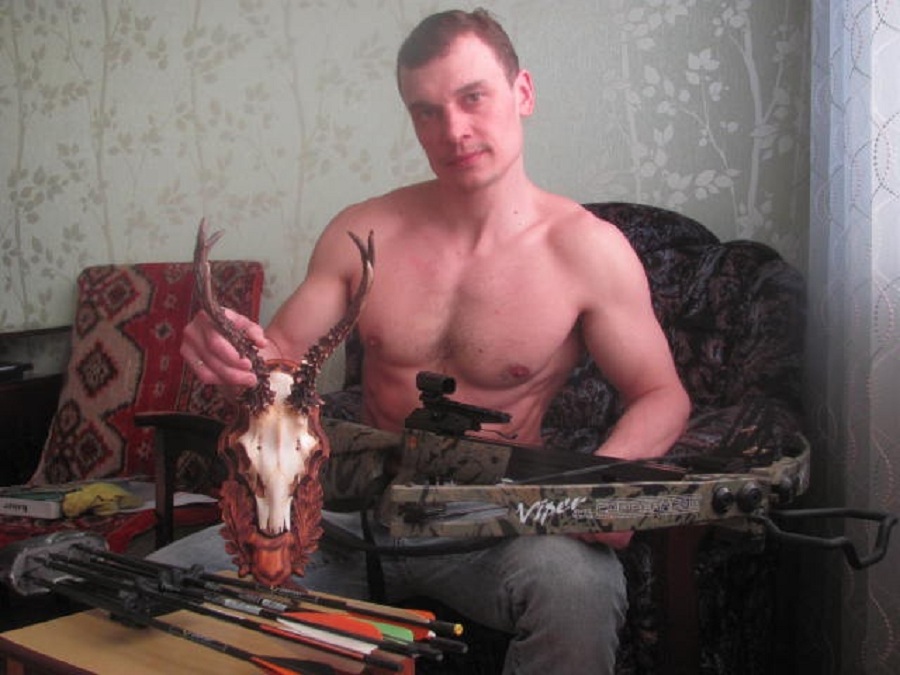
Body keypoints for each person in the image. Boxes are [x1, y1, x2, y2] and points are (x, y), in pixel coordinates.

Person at [152, 9, 690, 674]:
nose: (452, 130)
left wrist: (603, 485)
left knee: (580, 589)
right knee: (161, 586)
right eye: (426, 111)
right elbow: (277, 361)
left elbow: (661, 394)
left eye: (473, 97)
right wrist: (228, 344)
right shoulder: (363, 234)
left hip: (497, 523)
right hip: (352, 514)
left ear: (522, 92)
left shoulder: (587, 251)